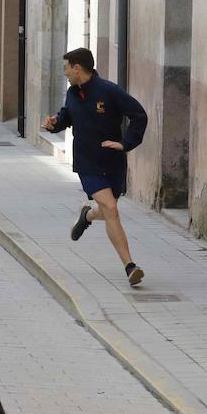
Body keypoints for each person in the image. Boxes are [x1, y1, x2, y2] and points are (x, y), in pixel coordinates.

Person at [42, 47, 150, 288]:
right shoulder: (72, 93)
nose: (65, 73)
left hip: (112, 162)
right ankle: (130, 266)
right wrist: (53, 124)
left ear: (77, 68)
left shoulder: (109, 91)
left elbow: (139, 115)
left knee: (106, 211)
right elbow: (66, 116)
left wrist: (125, 144)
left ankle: (87, 215)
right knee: (111, 208)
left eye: (66, 68)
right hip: (87, 163)